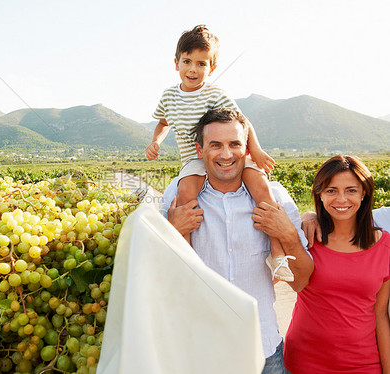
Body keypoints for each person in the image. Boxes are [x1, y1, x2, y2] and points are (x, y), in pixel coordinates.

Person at [163, 107, 314, 373]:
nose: (225, 154)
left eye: (234, 144)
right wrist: (171, 232)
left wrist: (287, 233)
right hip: (199, 356)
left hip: (264, 354)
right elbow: (154, 276)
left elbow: (301, 280)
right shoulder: (177, 197)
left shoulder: (273, 196)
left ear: (246, 149)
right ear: (199, 150)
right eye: (215, 145)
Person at [146, 24, 294, 282]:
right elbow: (162, 122)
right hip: (194, 158)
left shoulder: (215, 93)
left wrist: (254, 150)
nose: (193, 69)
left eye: (201, 64)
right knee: (184, 196)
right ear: (176, 62)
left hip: (227, 154)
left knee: (261, 187)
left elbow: (242, 122)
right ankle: (186, 255)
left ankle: (277, 254)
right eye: (187, 61)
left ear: (211, 68)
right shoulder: (168, 96)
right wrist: (156, 141)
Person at [279, 155, 390, 373]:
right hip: (303, 362)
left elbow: (380, 315)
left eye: (351, 190)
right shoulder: (305, 238)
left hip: (364, 365)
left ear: (364, 193)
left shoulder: (385, 246)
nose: (341, 199)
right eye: (331, 190)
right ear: (319, 194)